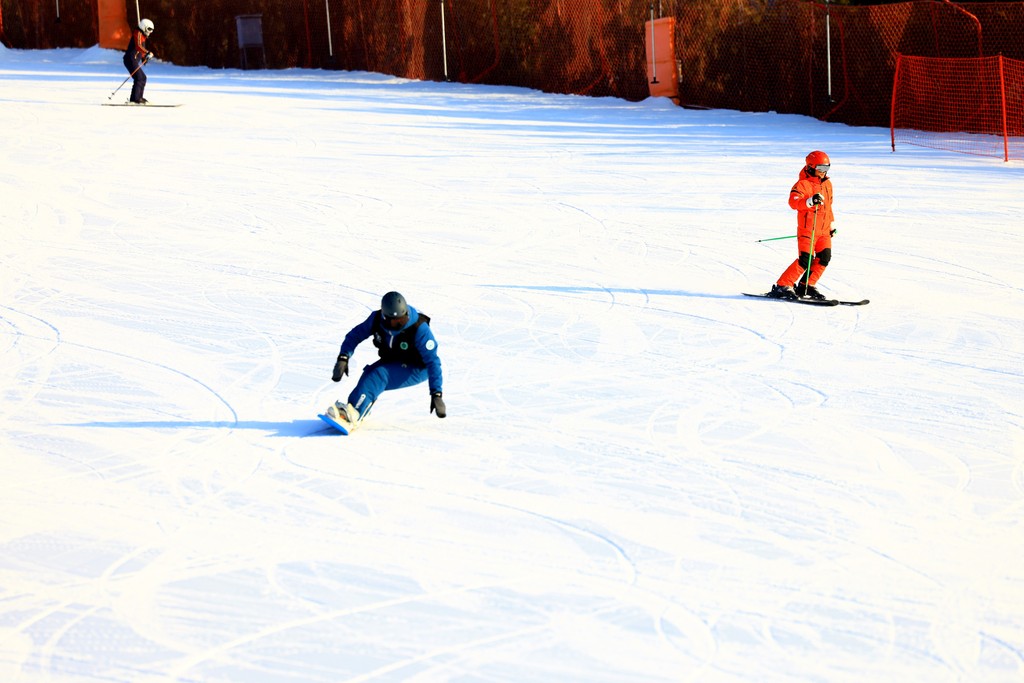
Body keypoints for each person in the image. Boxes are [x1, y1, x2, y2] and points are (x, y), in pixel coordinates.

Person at [326, 291, 445, 430]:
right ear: (384, 316)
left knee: (379, 375)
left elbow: (433, 362)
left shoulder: (419, 329)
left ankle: (354, 414)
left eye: (402, 319)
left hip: (417, 367)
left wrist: (436, 393)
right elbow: (355, 335)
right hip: (395, 359)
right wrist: (343, 357)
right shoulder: (376, 320)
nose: (399, 323)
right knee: (370, 373)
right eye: (394, 321)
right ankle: (359, 407)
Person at [768, 150, 836, 300]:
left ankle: (806, 285)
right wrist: (809, 201)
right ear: (811, 167)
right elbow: (793, 202)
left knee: (824, 258)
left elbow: (828, 206)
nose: (823, 172)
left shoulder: (828, 184)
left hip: (824, 230)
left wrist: (830, 224)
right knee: (806, 259)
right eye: (821, 169)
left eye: (827, 168)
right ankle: (782, 285)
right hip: (808, 229)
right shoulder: (802, 184)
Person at [123, 18, 155, 104]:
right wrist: (147, 52)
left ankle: (138, 97)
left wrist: (144, 57)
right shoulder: (138, 33)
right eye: (149, 29)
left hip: (133, 60)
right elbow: (138, 46)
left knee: (142, 78)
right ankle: (135, 99)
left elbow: (140, 50)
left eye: (152, 30)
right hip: (130, 59)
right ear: (144, 27)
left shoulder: (142, 36)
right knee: (139, 78)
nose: (150, 32)